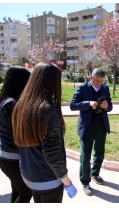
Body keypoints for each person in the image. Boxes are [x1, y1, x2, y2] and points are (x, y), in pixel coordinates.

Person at [11, 63, 77, 203]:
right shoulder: (48, 110)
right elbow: (52, 154)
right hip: (48, 180)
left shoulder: (21, 106)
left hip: (29, 175)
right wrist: (67, 182)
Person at [70, 68, 112, 196]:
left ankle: (95, 174)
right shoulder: (82, 88)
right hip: (87, 126)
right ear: (91, 78)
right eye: (97, 81)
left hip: (101, 126)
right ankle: (85, 181)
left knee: (99, 152)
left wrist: (106, 106)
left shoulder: (105, 88)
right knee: (85, 155)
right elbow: (73, 105)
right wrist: (88, 103)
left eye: (101, 81)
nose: (99, 83)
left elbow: (110, 106)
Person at [0, 66, 32, 203]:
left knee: (17, 190)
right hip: (12, 158)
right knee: (26, 193)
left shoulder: (6, 100)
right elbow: (19, 134)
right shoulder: (11, 104)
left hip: (6, 156)